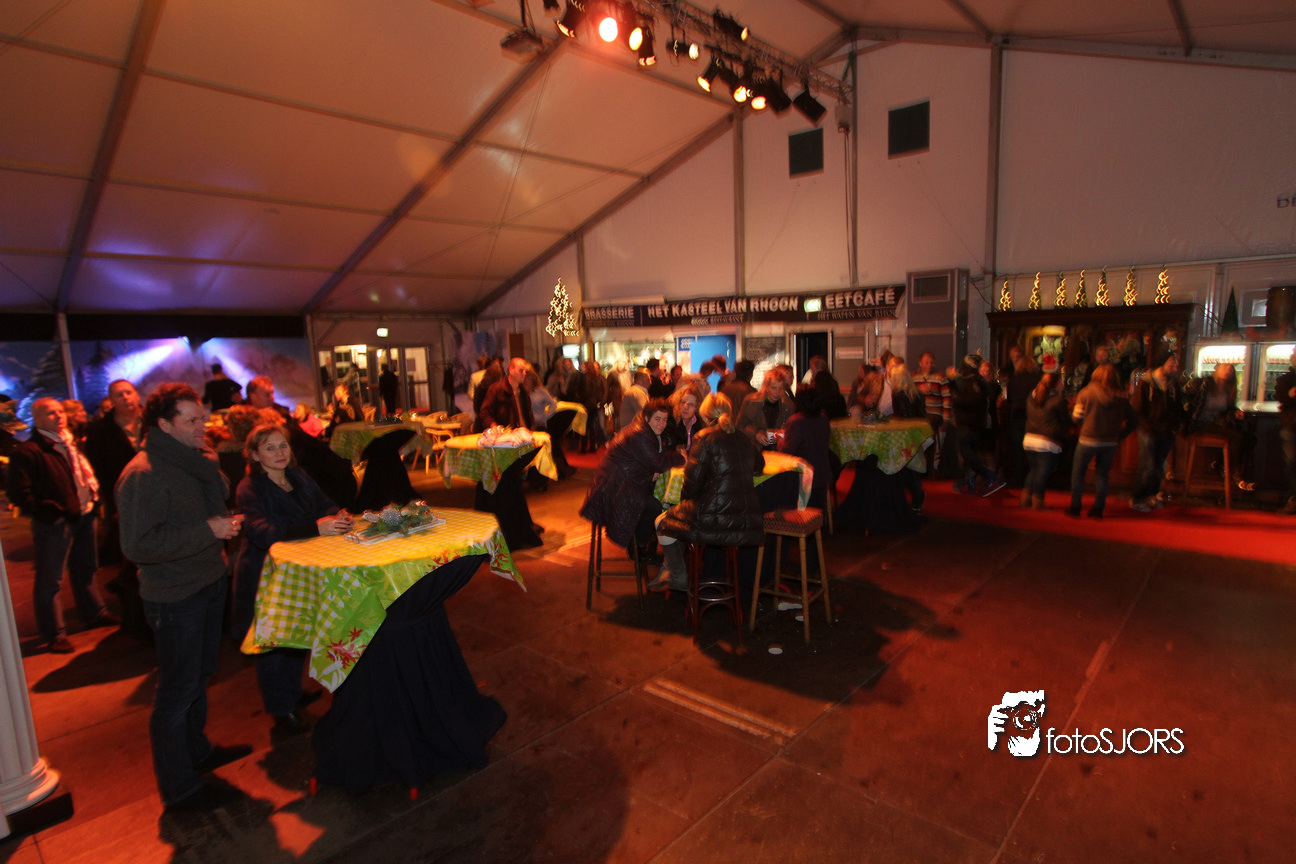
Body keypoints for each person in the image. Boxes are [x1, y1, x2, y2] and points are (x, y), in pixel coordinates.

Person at [116, 383, 251, 812]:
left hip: (207, 581)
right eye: (191, 420)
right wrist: (207, 530)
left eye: (202, 418)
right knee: (176, 692)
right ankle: (179, 787)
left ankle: (197, 751)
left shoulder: (194, 461)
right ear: (163, 424)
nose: (202, 427)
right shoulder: (143, 474)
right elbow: (138, 546)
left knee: (199, 677)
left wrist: (211, 475)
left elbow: (216, 498)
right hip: (175, 597)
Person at [232, 423, 353, 735]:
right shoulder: (249, 487)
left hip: (299, 570)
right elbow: (261, 532)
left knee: (297, 633)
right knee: (273, 642)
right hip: (266, 574)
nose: (279, 453)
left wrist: (338, 514)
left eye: (283, 445)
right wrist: (315, 528)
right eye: (269, 448)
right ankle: (280, 710)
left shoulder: (298, 476)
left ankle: (293, 693)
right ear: (254, 455)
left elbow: (324, 504)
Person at [6, 397, 114, 654]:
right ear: (37, 419)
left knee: (86, 569)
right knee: (50, 578)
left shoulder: (70, 442)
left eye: (60, 411)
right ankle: (54, 633)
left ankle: (94, 613)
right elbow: (19, 492)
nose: (59, 416)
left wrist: (93, 501)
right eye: (50, 413)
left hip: (84, 513)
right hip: (56, 521)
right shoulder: (29, 451)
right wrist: (48, 513)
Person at [654, 393, 765, 592]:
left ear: (705, 415)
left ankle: (679, 576)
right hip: (745, 519)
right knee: (679, 520)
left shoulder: (703, 438)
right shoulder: (742, 438)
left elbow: (691, 484)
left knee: (662, 522)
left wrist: (684, 505)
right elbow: (759, 465)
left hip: (710, 518)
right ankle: (676, 572)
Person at [579, 399, 684, 561]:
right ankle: (639, 549)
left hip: (617, 485)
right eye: (657, 419)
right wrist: (682, 458)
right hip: (611, 492)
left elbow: (652, 459)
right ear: (647, 418)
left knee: (654, 498)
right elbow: (658, 462)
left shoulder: (642, 430)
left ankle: (642, 546)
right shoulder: (639, 434)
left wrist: (652, 470)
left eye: (664, 420)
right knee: (655, 506)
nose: (661, 424)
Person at [83, 379, 148, 639]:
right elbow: (98, 467)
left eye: (128, 392)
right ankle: (135, 613)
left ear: (137, 394)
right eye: (119, 395)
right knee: (131, 555)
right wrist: (112, 502)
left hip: (155, 494)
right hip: (122, 499)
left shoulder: (152, 421)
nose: (125, 398)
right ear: (111, 400)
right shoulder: (100, 430)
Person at [1068, 364, 1136, 518]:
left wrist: (1083, 423)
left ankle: (1075, 506)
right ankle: (1098, 508)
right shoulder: (1121, 396)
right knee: (1102, 475)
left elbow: (1077, 417)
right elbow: (1133, 421)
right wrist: (1120, 434)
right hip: (1110, 441)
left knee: (1078, 473)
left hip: (1088, 438)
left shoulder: (1086, 392)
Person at [1186, 363, 1253, 492]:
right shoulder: (1206, 384)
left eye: (1231, 370)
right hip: (1200, 423)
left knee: (1247, 438)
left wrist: (1235, 412)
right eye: (1225, 368)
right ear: (1217, 370)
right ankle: (1231, 473)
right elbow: (1189, 398)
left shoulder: (1228, 390)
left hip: (1215, 423)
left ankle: (1223, 466)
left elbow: (1228, 409)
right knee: (1237, 437)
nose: (1228, 371)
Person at [1130, 352, 1184, 512]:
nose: (1174, 366)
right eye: (1171, 363)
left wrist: (1175, 424)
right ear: (1161, 363)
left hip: (1166, 430)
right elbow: (1137, 408)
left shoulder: (1172, 385)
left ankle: (1151, 495)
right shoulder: (1146, 384)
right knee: (1147, 466)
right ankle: (1138, 498)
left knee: (1159, 467)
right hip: (1150, 430)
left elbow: (1177, 407)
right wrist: (1146, 426)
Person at [951, 355, 1005, 496]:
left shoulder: (973, 383)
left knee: (967, 453)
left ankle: (990, 476)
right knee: (970, 453)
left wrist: (957, 399)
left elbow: (973, 402)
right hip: (975, 424)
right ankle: (969, 481)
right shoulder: (978, 382)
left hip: (968, 423)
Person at [779, 385, 832, 512]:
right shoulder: (823, 419)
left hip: (802, 477)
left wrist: (779, 439)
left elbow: (787, 450)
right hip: (822, 474)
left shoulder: (797, 421)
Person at [1020, 371, 1069, 510]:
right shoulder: (1058, 401)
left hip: (1029, 439)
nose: (1062, 384)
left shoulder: (1032, 397)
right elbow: (1065, 421)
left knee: (1033, 470)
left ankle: (1025, 498)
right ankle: (1038, 501)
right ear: (1055, 385)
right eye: (1060, 382)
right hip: (1047, 441)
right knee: (1042, 473)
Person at [889, 364, 930, 512]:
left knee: (903, 467)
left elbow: (902, 416)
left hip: (904, 433)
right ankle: (918, 498)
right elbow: (922, 413)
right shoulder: (917, 392)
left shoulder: (897, 393)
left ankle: (908, 499)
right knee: (913, 467)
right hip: (917, 431)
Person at [738, 368, 795, 448]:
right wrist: (756, 434)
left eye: (780, 388)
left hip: (777, 449)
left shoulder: (788, 406)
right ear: (766, 387)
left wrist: (782, 433)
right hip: (755, 448)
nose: (777, 392)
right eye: (773, 388)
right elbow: (740, 426)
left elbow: (791, 430)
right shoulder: (752, 401)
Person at [479, 357, 534, 430]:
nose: (524, 374)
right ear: (511, 370)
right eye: (521, 371)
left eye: (525, 371)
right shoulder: (497, 389)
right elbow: (485, 412)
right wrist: (494, 426)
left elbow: (529, 416)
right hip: (506, 433)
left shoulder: (523, 391)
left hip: (524, 432)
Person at [1279, 347, 1296, 515]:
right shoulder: (1286, 379)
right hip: (1291, 425)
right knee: (1291, 463)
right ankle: (1293, 499)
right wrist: (1290, 395)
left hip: (1290, 426)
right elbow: (1280, 397)